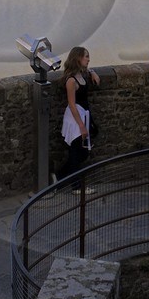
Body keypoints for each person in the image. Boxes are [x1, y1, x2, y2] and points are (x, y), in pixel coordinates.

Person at [55, 46, 100, 191]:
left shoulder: (82, 74)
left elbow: (93, 76)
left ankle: (59, 177)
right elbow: (72, 104)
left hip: (83, 115)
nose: (88, 59)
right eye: (86, 56)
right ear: (78, 58)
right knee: (76, 151)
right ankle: (76, 187)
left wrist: (92, 72)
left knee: (82, 152)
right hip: (75, 118)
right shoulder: (71, 81)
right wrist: (81, 126)